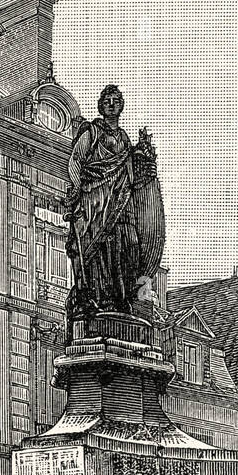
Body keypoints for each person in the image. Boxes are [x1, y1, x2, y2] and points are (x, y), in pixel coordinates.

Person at [66, 85, 164, 316]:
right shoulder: (92, 132)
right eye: (107, 100)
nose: (111, 104)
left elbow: (130, 175)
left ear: (121, 106)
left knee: (125, 244)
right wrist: (78, 190)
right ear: (101, 106)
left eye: (115, 100)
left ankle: (120, 298)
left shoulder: (124, 139)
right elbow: (76, 161)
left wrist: (143, 158)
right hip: (95, 202)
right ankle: (100, 297)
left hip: (119, 203)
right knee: (100, 249)